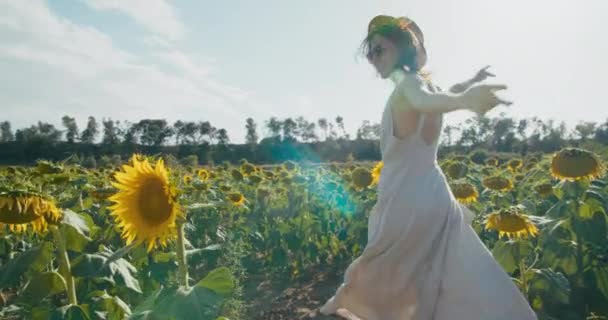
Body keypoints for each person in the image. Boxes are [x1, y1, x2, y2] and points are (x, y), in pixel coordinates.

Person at [319, 15, 537, 320]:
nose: (371, 58)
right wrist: (468, 87)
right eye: (369, 52)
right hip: (435, 194)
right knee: (450, 272)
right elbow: (437, 98)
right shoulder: (424, 85)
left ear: (403, 49)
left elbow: (424, 101)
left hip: (404, 196)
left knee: (385, 272)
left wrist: (464, 98)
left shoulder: (410, 85)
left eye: (378, 49)